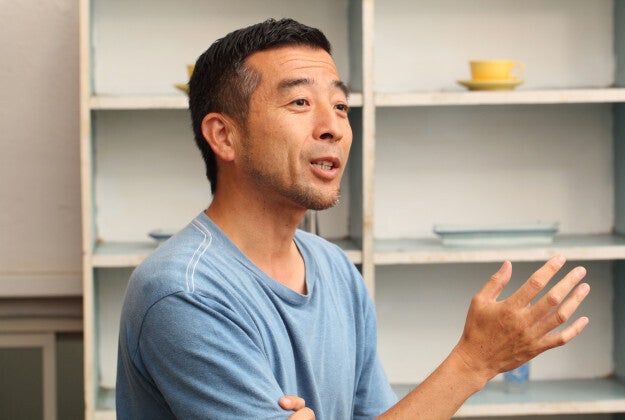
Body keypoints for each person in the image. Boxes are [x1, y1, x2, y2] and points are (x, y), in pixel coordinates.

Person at [116, 18, 590, 419]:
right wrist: (474, 362)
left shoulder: (335, 269)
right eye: (300, 103)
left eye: (340, 106)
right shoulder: (185, 292)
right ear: (224, 136)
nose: (334, 127)